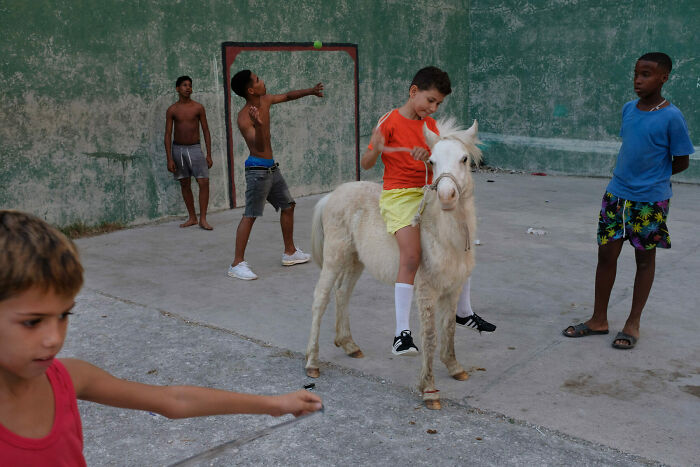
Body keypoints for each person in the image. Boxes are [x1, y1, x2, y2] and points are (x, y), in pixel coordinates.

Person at [0, 210, 323, 465]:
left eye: (63, 315)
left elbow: (173, 400)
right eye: (31, 322)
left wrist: (274, 404)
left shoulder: (68, 378)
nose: (53, 339)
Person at [360, 66, 497, 356]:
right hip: (399, 195)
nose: (433, 108)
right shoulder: (389, 121)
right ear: (414, 92)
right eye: (430, 101)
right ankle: (401, 333)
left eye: (438, 104)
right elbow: (367, 163)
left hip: (427, 191)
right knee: (411, 255)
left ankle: (464, 311)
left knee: (462, 240)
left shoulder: (431, 127)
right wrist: (377, 147)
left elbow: (441, 163)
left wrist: (428, 159)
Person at [563, 52, 694, 349]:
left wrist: (653, 178)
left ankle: (632, 323)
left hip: (649, 201)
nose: (638, 79)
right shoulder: (628, 110)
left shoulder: (672, 116)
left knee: (644, 260)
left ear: (664, 77)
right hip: (616, 195)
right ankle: (599, 319)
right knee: (606, 255)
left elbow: (682, 161)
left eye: (646, 74)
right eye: (636, 73)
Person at [226, 70, 324, 280]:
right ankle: (236, 263)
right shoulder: (244, 118)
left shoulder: (266, 100)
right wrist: (259, 125)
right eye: (259, 79)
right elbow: (259, 146)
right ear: (251, 89)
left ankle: (290, 252)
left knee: (288, 206)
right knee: (251, 215)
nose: (263, 81)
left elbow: (288, 96)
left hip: (271, 168)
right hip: (257, 171)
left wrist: (311, 91)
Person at [164, 75, 214, 230]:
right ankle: (192, 217)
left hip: (195, 148)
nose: (188, 88)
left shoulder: (198, 107)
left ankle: (203, 219)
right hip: (178, 149)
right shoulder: (172, 109)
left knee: (203, 182)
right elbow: (167, 134)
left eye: (190, 85)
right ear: (177, 88)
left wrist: (208, 154)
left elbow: (205, 130)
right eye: (184, 85)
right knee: (185, 183)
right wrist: (169, 158)